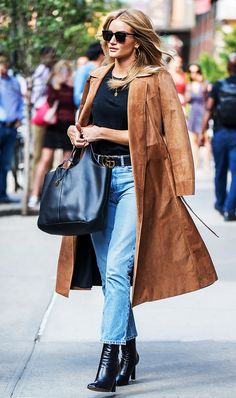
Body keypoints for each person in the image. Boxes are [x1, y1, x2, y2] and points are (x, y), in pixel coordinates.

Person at [56, 9, 217, 393]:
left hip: (134, 182)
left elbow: (162, 136)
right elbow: (84, 124)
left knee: (116, 270)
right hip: (96, 182)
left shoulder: (155, 79)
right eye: (108, 33)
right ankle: (129, 348)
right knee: (112, 276)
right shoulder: (97, 76)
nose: (112, 40)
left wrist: (104, 132)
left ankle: (109, 356)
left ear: (138, 39)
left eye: (121, 35)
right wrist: (77, 132)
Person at [28, 60, 75, 207]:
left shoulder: (73, 86)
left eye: (66, 70)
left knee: (67, 160)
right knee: (45, 158)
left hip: (68, 125)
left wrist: (71, 83)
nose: (64, 73)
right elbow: (50, 100)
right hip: (54, 125)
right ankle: (35, 193)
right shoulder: (52, 86)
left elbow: (75, 102)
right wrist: (57, 84)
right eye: (61, 70)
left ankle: (62, 194)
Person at [201, 52, 236, 221]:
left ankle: (221, 204)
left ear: (228, 68)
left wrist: (202, 132)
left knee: (220, 171)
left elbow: (209, 109)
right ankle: (230, 208)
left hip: (221, 134)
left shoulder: (219, 85)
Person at [31, 47, 56, 184]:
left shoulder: (50, 71)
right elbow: (35, 96)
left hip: (50, 117)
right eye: (50, 56)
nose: (53, 59)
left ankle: (42, 188)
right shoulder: (41, 71)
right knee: (38, 155)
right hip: (40, 117)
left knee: (48, 156)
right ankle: (34, 188)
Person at [0, 55, 23, 203]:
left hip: (11, 127)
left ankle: (2, 195)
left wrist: (19, 118)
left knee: (6, 163)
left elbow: (20, 101)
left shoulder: (14, 82)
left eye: (5, 63)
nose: (4, 66)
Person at [185, 64, 208, 168]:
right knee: (193, 139)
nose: (194, 74)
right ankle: (197, 163)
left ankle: (207, 165)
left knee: (206, 138)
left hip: (203, 112)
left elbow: (207, 98)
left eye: (196, 71)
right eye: (191, 72)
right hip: (194, 112)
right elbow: (187, 99)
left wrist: (201, 83)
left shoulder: (205, 83)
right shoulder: (189, 85)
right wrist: (191, 88)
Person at [74, 42, 104, 110]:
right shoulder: (84, 70)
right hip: (84, 111)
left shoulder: (103, 70)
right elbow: (77, 97)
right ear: (101, 55)